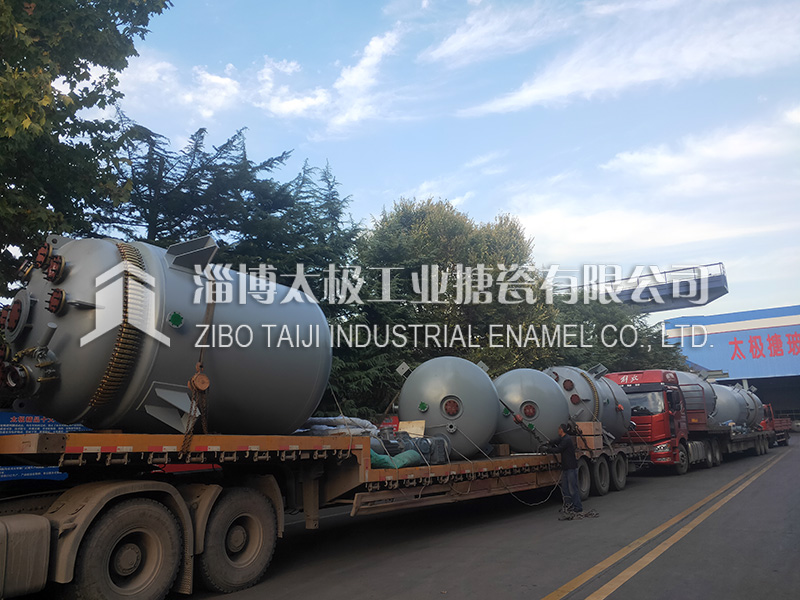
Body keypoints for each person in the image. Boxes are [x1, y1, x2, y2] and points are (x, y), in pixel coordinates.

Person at [546, 423, 583, 517]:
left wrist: (548, 449)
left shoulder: (567, 440)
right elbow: (557, 440)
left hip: (571, 468)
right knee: (565, 488)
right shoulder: (563, 438)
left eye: (558, 429)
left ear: (561, 430)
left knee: (572, 488)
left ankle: (578, 507)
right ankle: (568, 505)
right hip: (566, 468)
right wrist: (549, 442)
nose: (558, 431)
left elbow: (559, 449)